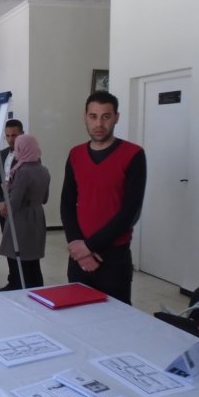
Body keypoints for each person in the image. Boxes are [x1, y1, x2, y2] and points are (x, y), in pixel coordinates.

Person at [60, 91, 147, 304]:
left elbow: (130, 212)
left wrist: (89, 246)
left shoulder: (133, 154)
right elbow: (67, 203)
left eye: (106, 116)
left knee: (115, 317)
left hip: (114, 257)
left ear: (116, 117)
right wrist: (77, 245)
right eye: (93, 116)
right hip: (79, 254)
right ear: (85, 117)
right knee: (77, 313)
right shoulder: (75, 154)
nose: (99, 123)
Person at [0, 134, 50, 290]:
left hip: (21, 219)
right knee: (33, 260)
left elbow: (13, 203)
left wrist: (4, 202)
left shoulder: (22, 171)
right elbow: (45, 199)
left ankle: (19, 290)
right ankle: (37, 290)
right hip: (37, 217)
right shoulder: (44, 170)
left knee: (20, 259)